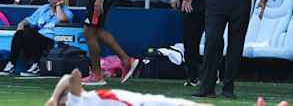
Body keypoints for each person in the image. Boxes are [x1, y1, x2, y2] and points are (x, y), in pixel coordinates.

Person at [0, 0, 73, 77]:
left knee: (29, 33)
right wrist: (21, 24)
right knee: (20, 33)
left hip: (53, 40)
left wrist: (58, 6)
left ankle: (38, 64)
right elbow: (30, 20)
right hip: (38, 39)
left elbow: (61, 20)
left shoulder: (66, 12)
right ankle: (12, 64)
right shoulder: (43, 9)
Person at [45, 69, 207, 106]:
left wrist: (53, 97)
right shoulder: (75, 102)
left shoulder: (80, 99)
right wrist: (55, 98)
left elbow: (69, 77)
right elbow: (73, 75)